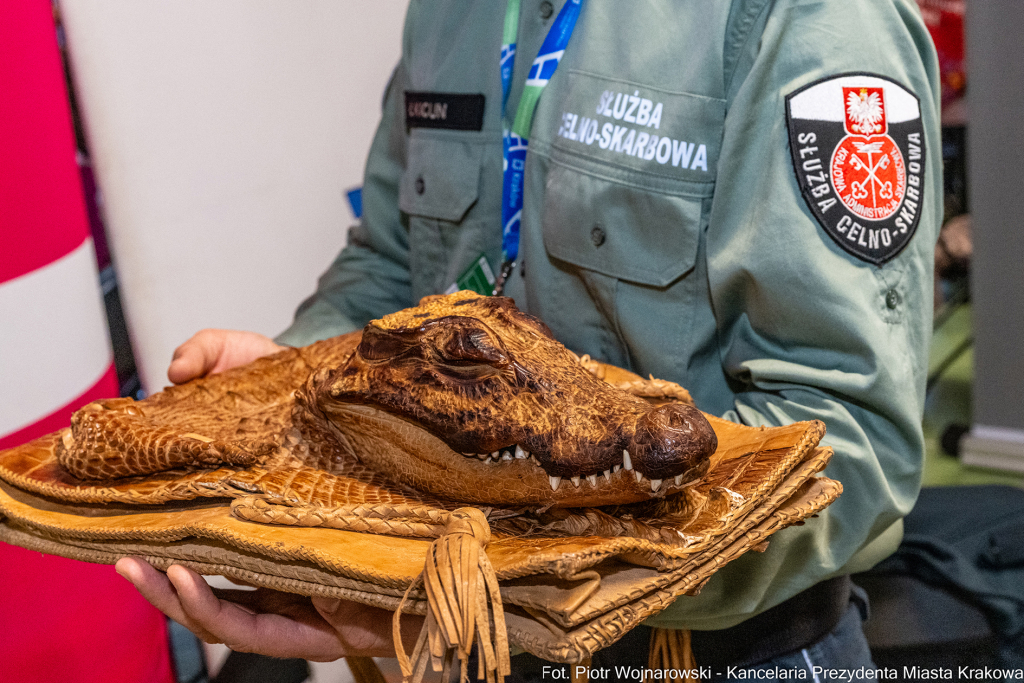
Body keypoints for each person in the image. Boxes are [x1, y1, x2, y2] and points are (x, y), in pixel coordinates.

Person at [117, 0, 943, 678]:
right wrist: (298, 384)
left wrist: (474, 584)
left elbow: (848, 436)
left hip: (717, 650)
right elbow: (390, 269)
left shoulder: (812, 20)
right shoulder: (452, 14)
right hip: (459, 648)